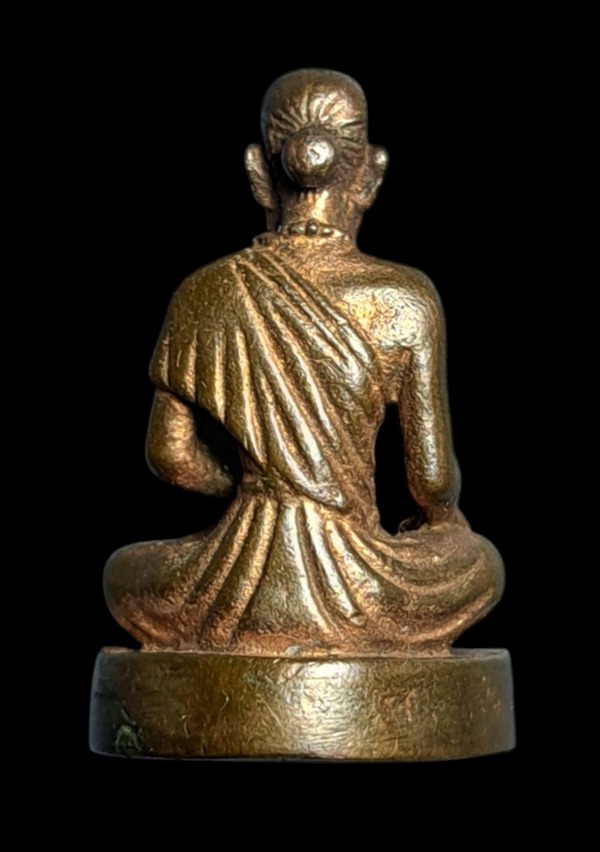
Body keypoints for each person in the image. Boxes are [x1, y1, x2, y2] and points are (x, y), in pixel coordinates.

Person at [104, 68, 503, 658]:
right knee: (480, 563)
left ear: (257, 174)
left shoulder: (206, 291)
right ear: (371, 174)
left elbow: (170, 456)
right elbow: (432, 480)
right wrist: (446, 524)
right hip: (367, 583)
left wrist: (249, 482)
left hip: (228, 579)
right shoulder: (404, 298)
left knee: (124, 573)